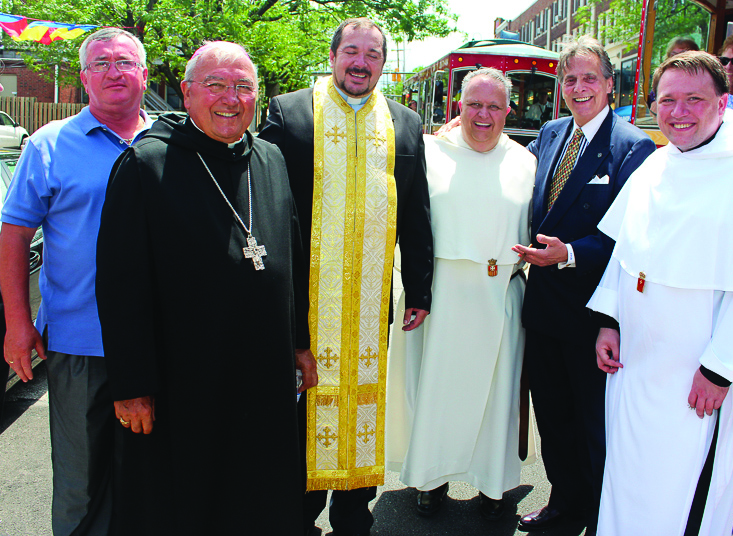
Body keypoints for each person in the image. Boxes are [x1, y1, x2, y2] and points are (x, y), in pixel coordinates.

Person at [94, 41, 310, 535]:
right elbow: (120, 286)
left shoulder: (270, 159)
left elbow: (292, 260)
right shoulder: (146, 166)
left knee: (259, 499)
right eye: (215, 85)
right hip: (184, 386)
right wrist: (131, 387)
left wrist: (299, 345)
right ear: (187, 94)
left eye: (242, 87)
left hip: (262, 377)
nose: (230, 99)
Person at [588, 50, 733, 536]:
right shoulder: (657, 165)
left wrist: (719, 370)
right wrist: (611, 320)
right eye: (667, 101)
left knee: (685, 494)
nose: (678, 112)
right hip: (636, 367)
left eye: (694, 100)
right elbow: (626, 255)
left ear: (724, 105)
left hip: (696, 382)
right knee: (629, 477)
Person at [259, 18, 433, 536]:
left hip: (369, 300)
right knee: (302, 403)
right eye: (351, 51)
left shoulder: (403, 122)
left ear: (384, 62)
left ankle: (355, 516)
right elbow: (266, 205)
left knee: (364, 403)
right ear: (332, 55)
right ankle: (296, 515)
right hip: (304, 298)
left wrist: (420, 288)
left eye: (373, 54)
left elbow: (417, 211)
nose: (361, 62)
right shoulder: (289, 112)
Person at [0, 27, 151, 536]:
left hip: (157, 342)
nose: (114, 71)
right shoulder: (49, 145)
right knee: (80, 485)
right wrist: (18, 324)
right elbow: (15, 235)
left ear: (143, 75)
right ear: (83, 78)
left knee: (147, 479)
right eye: (102, 63)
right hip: (80, 344)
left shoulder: (171, 144)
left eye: (125, 62)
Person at [510, 36, 655, 536]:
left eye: (589, 77)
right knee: (552, 416)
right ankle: (563, 503)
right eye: (569, 79)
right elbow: (512, 181)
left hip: (594, 313)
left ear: (610, 84)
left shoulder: (632, 146)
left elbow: (630, 239)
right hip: (544, 308)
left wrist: (569, 254)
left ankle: (598, 516)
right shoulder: (550, 134)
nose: (578, 87)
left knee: (594, 425)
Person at [386, 68, 536, 520]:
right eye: (474, 104)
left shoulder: (527, 160)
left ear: (509, 110)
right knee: (435, 391)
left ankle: (493, 483)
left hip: (500, 294)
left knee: (496, 395)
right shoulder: (430, 151)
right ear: (458, 106)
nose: (483, 115)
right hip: (440, 295)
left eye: (493, 106)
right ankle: (431, 479)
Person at [649, 36, 699, 113]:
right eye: (674, 54)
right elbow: (653, 96)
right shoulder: (663, 76)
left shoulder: (700, 76)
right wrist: (654, 102)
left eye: (683, 53)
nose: (678, 58)